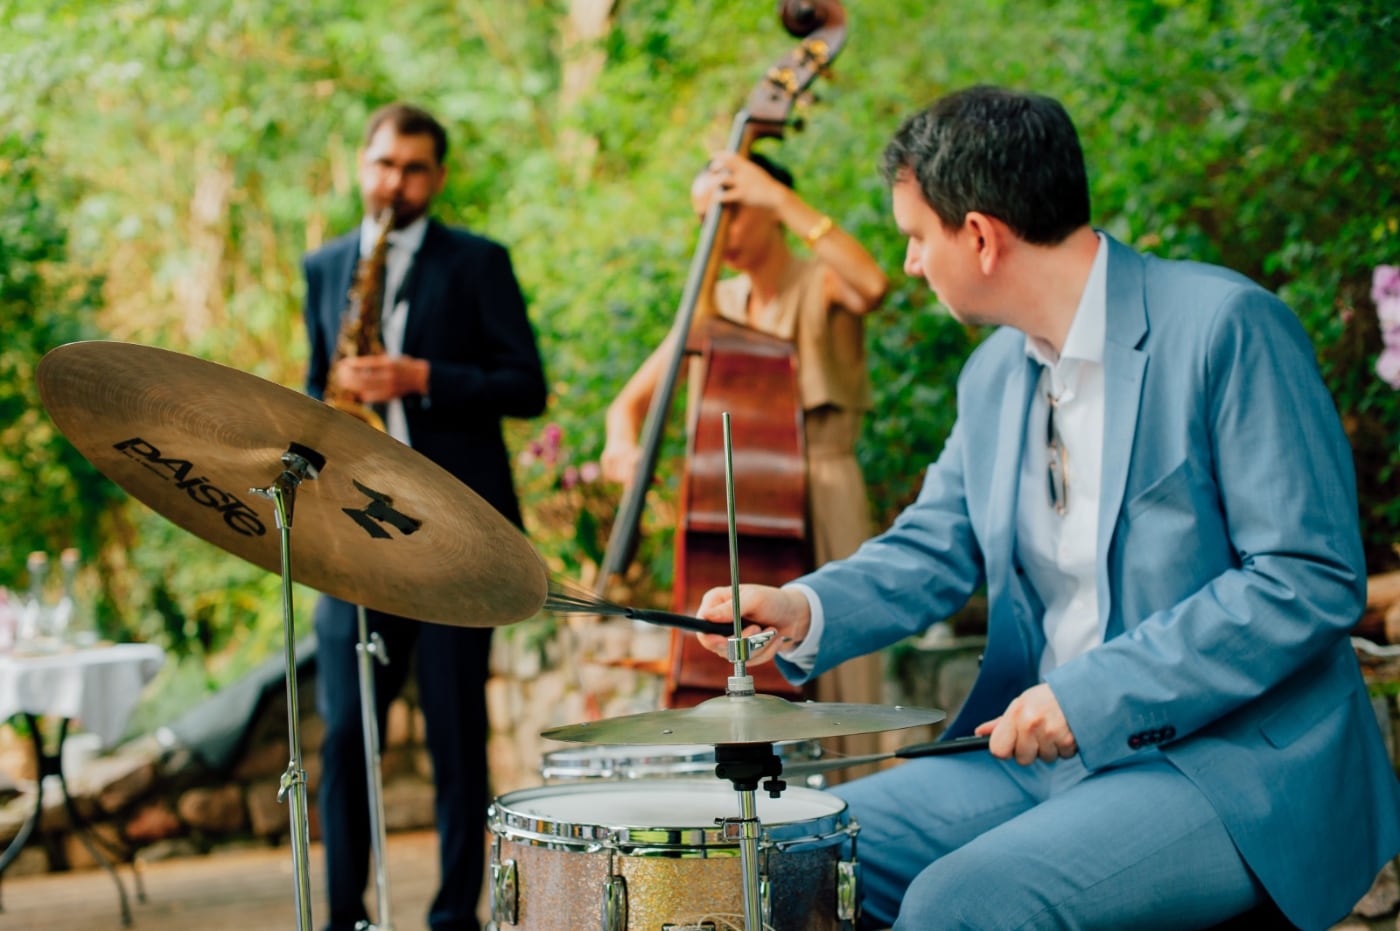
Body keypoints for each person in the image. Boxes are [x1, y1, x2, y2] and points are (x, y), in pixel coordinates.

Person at [696, 85, 1400, 930]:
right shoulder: (993, 376)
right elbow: (936, 544)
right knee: (777, 851)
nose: (912, 264)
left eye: (917, 238)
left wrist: (1095, 692)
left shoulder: (1226, 326)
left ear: (982, 236)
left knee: (960, 902)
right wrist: (804, 605)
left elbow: (1308, 577)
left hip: (1232, 760)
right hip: (1039, 759)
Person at [302, 102, 546, 931]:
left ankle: (452, 917)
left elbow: (526, 385)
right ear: (361, 166)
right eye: (382, 164)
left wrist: (421, 376)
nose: (394, 182)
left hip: (451, 534)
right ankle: (341, 917)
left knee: (454, 731)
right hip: (350, 536)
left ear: (437, 178)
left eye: (411, 168)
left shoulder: (479, 263)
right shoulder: (325, 265)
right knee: (343, 740)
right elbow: (314, 387)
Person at [600, 150, 889, 771]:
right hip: (747, 508)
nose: (718, 237)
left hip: (824, 490)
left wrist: (780, 197)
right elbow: (626, 407)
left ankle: (859, 802)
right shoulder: (714, 304)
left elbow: (872, 284)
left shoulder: (821, 281)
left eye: (729, 215)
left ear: (765, 206)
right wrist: (622, 446)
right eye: (705, 220)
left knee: (841, 680)